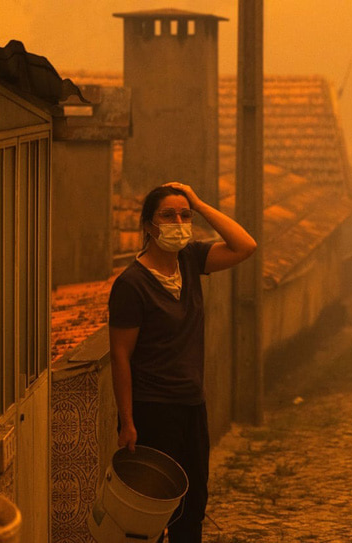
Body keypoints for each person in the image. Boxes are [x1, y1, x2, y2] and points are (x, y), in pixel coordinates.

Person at [108, 182, 256, 543]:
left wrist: (200, 204)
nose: (178, 223)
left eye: (184, 216)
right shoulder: (132, 284)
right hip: (152, 410)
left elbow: (245, 246)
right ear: (148, 225)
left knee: (192, 506)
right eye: (168, 215)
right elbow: (120, 355)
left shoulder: (190, 260)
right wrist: (127, 422)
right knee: (151, 512)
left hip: (191, 405)